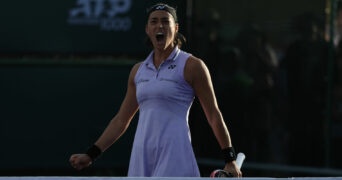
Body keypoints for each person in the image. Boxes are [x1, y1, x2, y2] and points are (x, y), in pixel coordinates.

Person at [69, 3, 242, 177]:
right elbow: (121, 120)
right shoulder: (138, 71)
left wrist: (230, 160)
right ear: (147, 29)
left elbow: (213, 114)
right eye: (154, 21)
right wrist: (91, 154)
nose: (160, 26)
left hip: (175, 154)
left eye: (165, 22)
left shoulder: (192, 66)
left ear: (175, 28)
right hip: (141, 155)